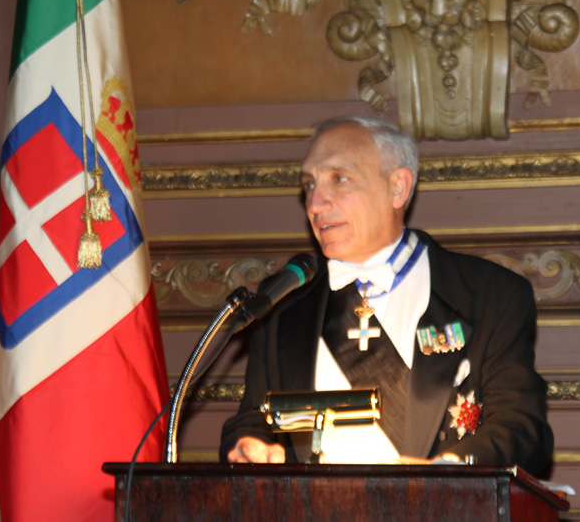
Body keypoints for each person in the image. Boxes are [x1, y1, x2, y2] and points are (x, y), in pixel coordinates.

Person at [219, 115, 553, 475]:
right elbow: (254, 418)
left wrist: (446, 473)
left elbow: (522, 429)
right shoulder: (282, 301)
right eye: (309, 184)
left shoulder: (491, 295)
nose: (314, 204)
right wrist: (249, 445)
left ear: (398, 188)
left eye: (339, 179)